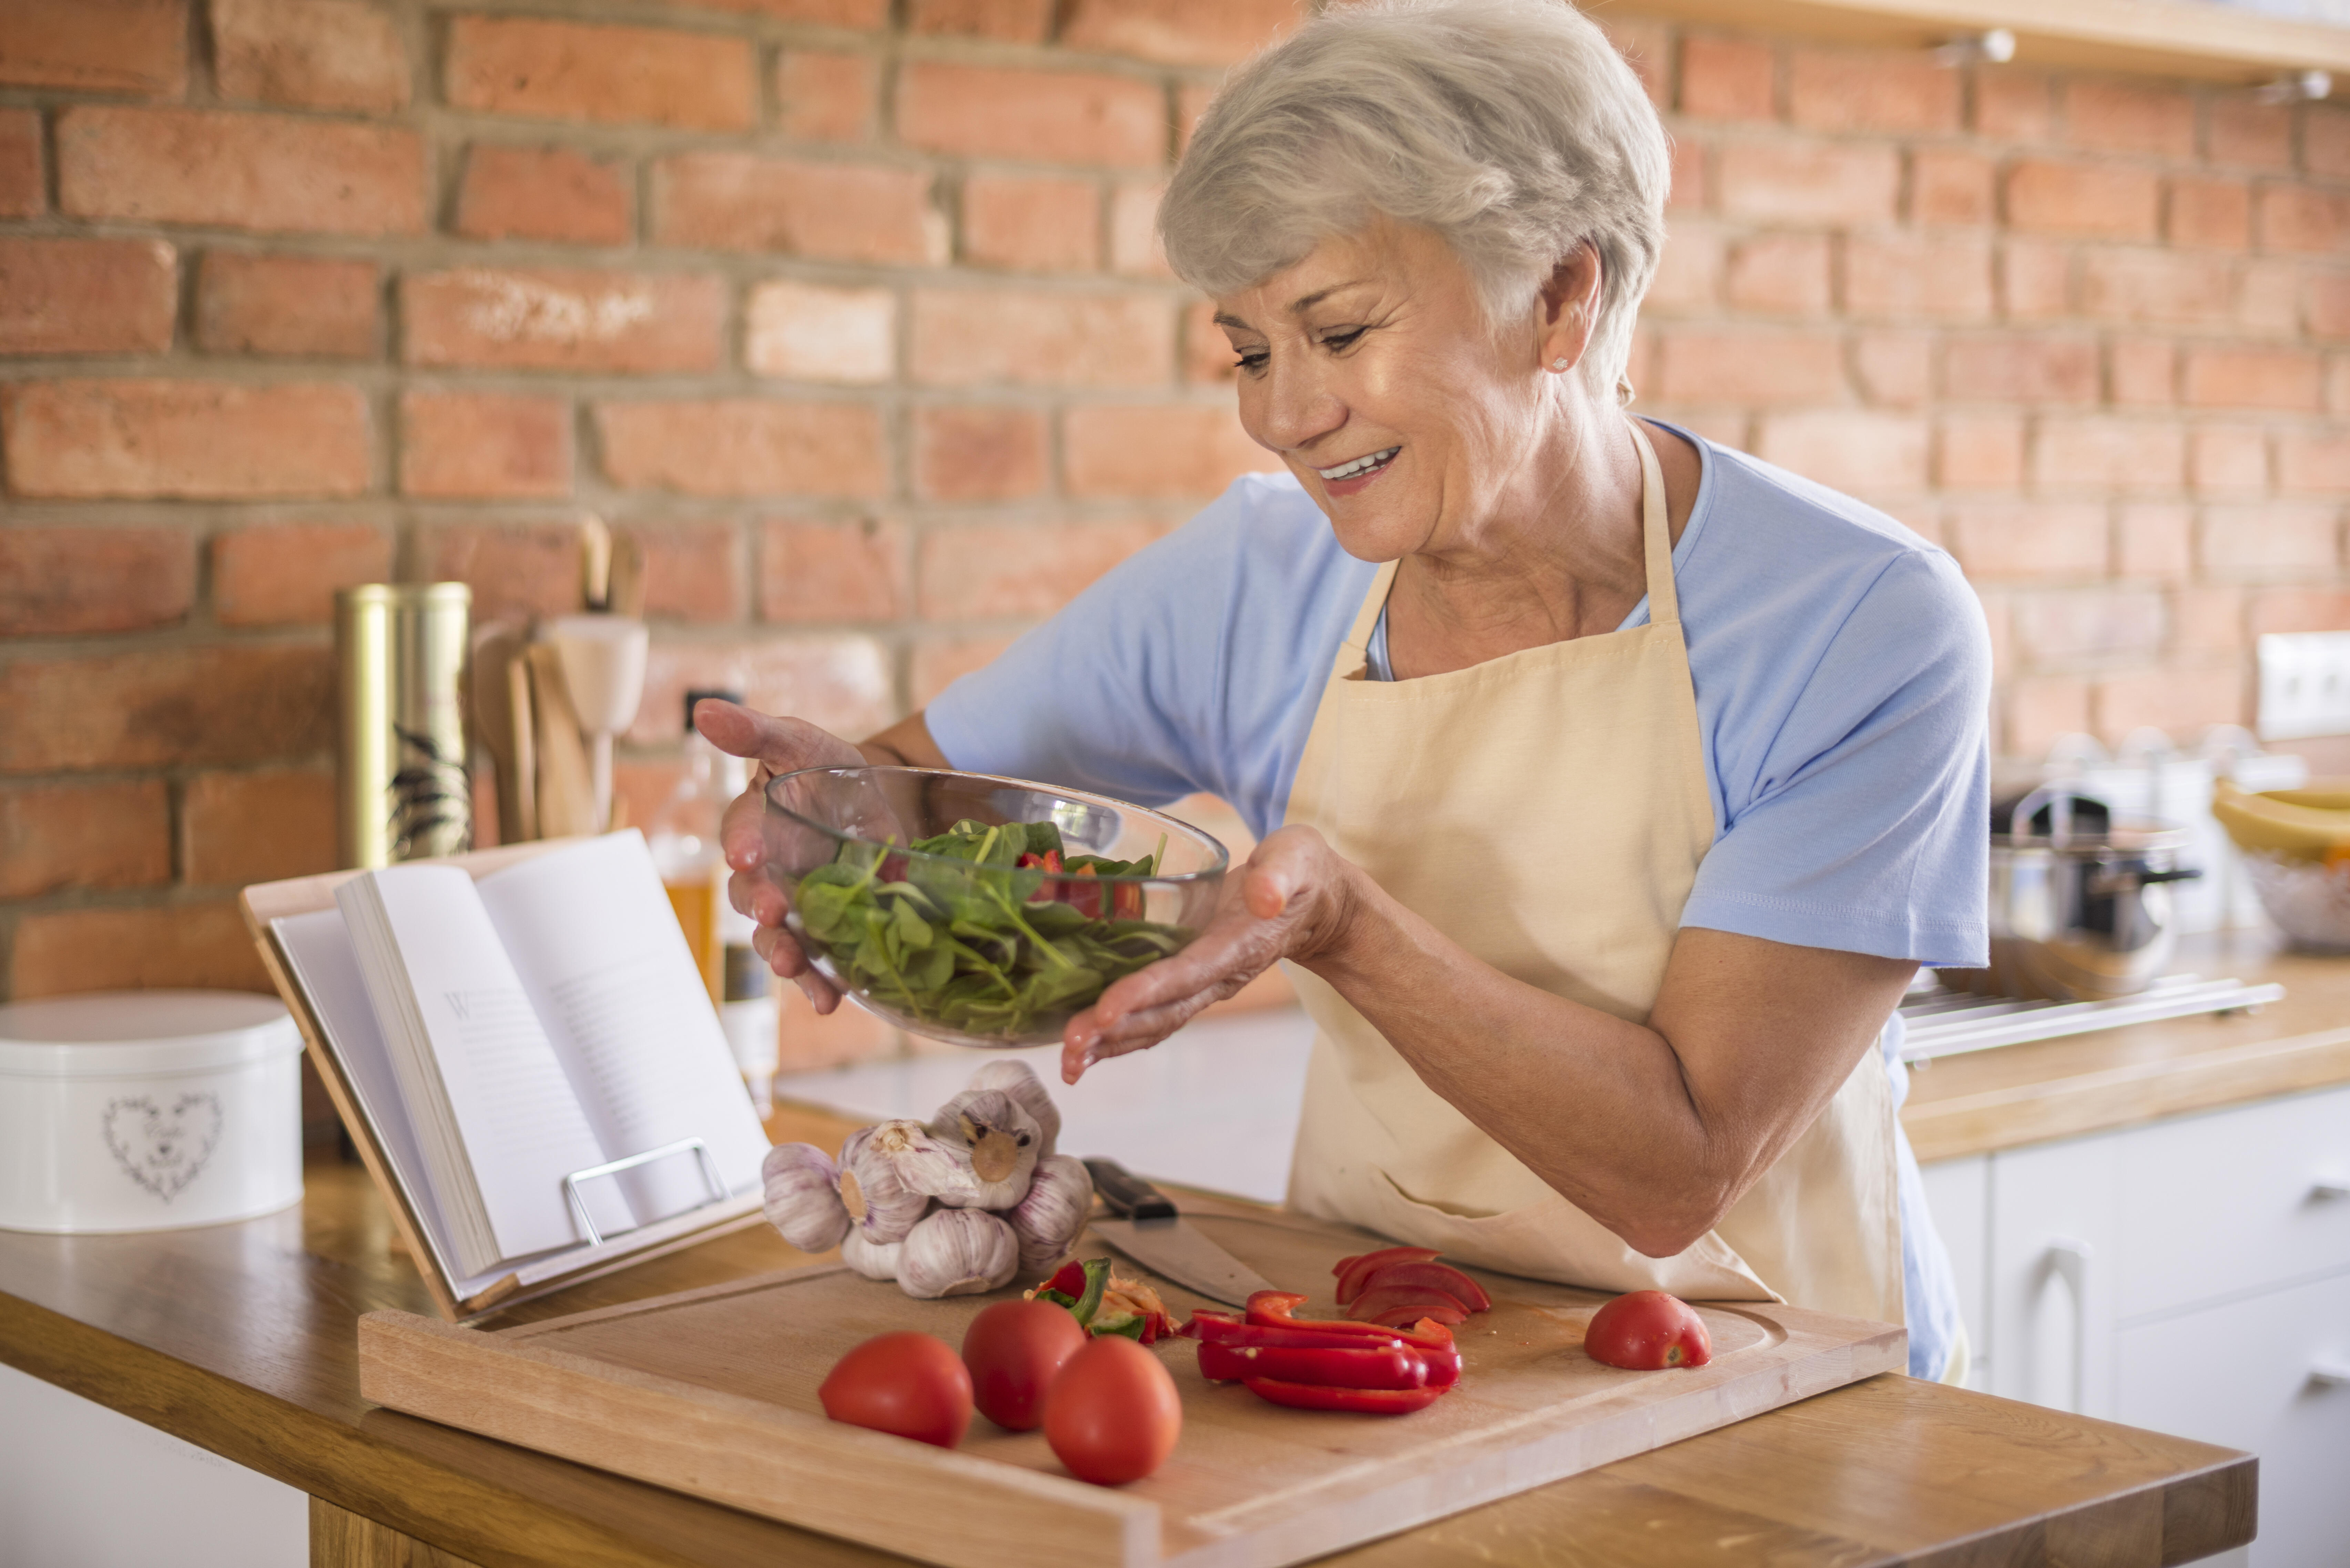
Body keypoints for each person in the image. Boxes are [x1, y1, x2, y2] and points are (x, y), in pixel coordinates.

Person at [702, 0, 1988, 1382]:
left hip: (1779, 1377)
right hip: (1375, 1351)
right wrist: (828, 832)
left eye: (1338, 331)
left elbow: (1682, 1166)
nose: (1283, 413)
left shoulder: (1857, 622)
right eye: (1251, 348)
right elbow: (924, 802)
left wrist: (1346, 926)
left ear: (1562, 296)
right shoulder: (1250, 582)